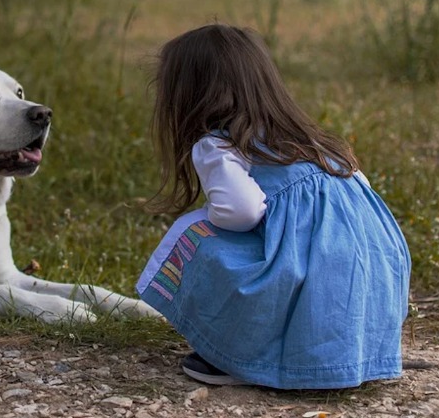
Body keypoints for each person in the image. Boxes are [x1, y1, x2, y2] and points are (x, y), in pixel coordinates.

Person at [136, 24, 411, 389]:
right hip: (373, 276)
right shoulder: (311, 141)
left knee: (195, 234)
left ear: (190, 96)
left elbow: (242, 211)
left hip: (313, 277)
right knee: (309, 255)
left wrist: (210, 218)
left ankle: (239, 356)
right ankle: (345, 353)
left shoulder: (219, 145)